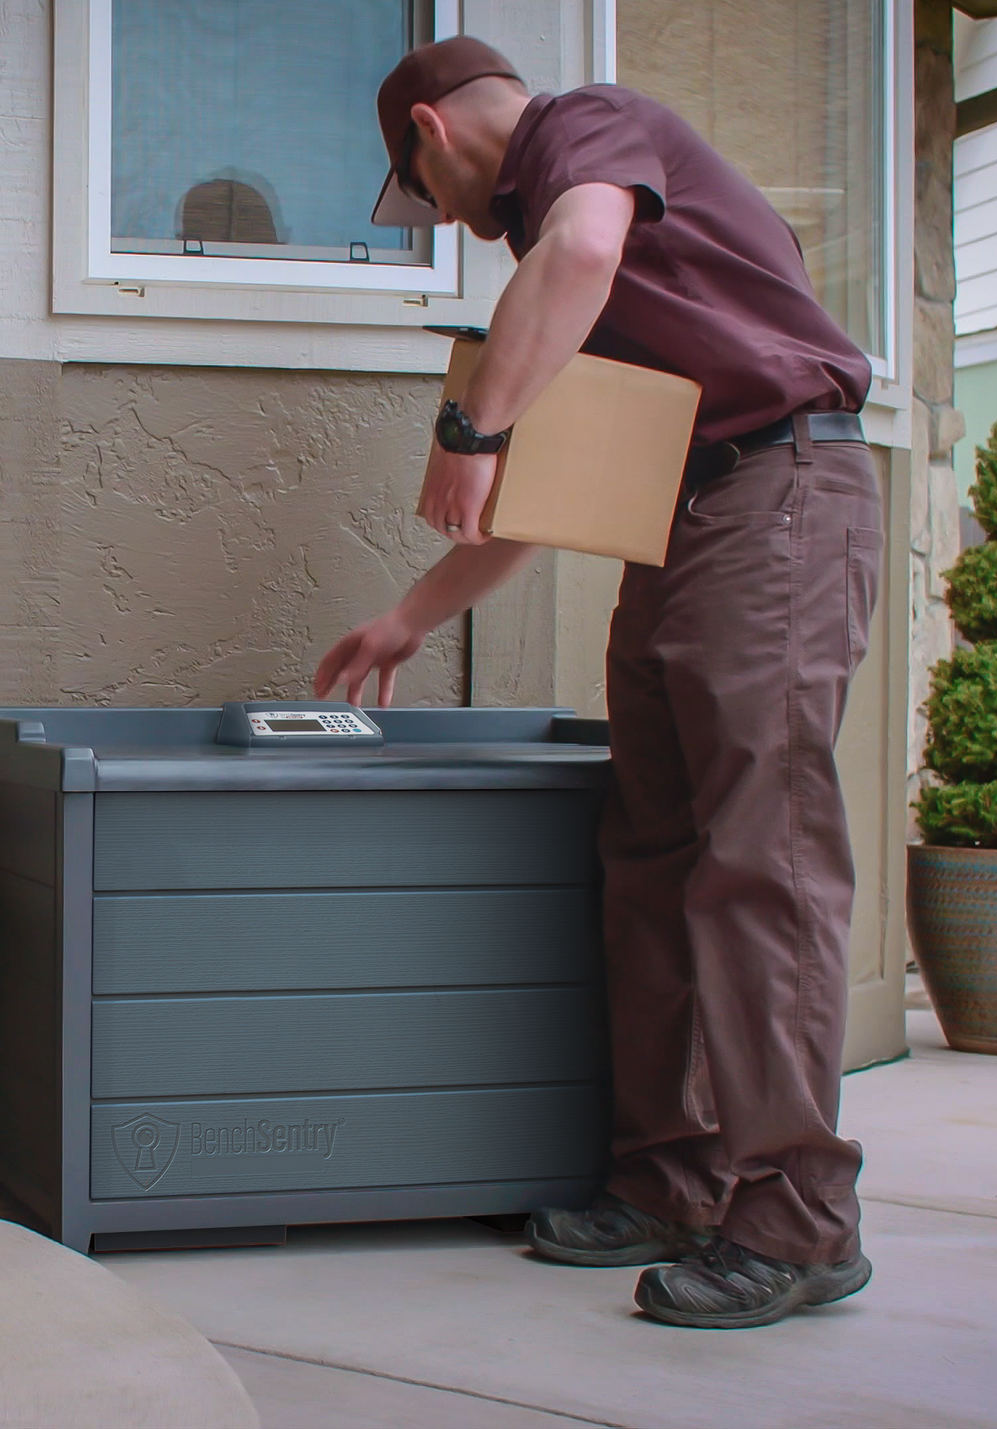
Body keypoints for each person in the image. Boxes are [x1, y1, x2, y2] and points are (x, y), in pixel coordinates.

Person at [314, 35, 882, 1331]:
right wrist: (411, 617)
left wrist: (474, 423)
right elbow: (549, 482)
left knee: (759, 859)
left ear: (429, 136)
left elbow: (569, 273)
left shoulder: (586, 135)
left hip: (782, 491)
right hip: (684, 511)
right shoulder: (568, 249)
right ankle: (674, 1178)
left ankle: (799, 1218)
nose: (444, 222)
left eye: (424, 196)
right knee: (655, 851)